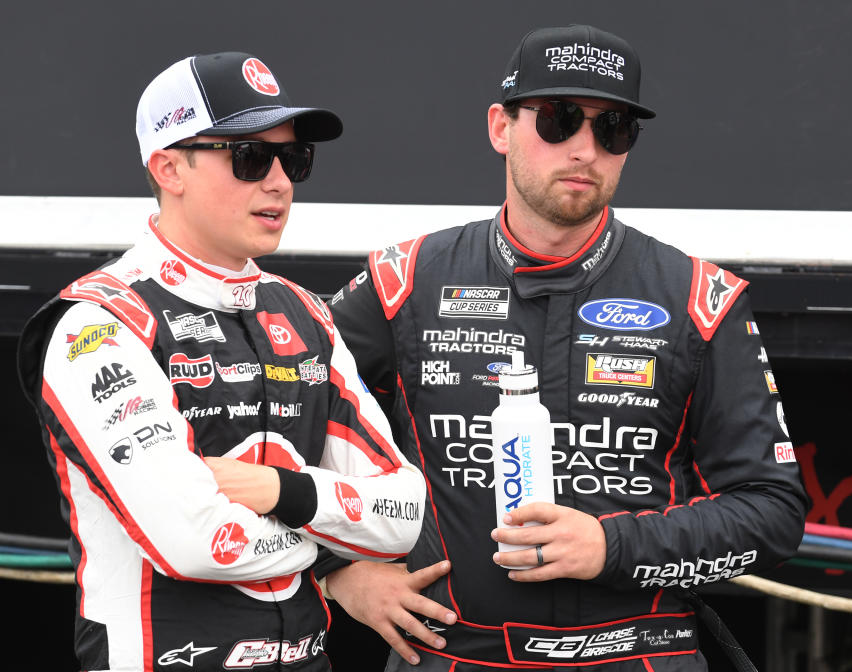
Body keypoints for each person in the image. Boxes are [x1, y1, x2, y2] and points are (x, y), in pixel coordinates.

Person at [323, 25, 808, 671]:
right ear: (501, 127)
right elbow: (276, 423)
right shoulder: (403, 281)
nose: (584, 148)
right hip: (458, 655)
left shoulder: (700, 296)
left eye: (613, 130)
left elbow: (773, 516)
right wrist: (338, 571)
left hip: (636, 652)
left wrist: (611, 546)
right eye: (558, 119)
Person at [16, 51, 425, 672]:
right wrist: (334, 544)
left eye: (295, 159)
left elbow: (402, 515)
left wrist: (275, 490)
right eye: (250, 158)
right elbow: (193, 541)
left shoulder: (305, 314)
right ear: (169, 167)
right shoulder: (99, 324)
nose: (280, 182)